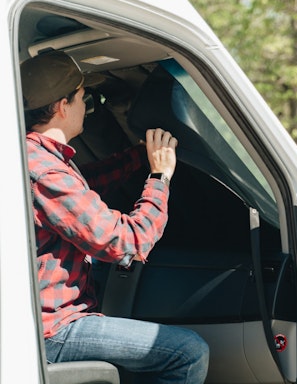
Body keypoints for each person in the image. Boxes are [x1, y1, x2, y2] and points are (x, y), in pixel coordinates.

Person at [21, 51, 209, 384]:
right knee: (188, 353)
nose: (85, 107)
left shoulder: (30, 156)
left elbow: (83, 185)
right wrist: (159, 176)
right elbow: (129, 242)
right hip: (53, 330)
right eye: (82, 97)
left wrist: (139, 155)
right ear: (63, 106)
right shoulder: (46, 171)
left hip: (42, 321)